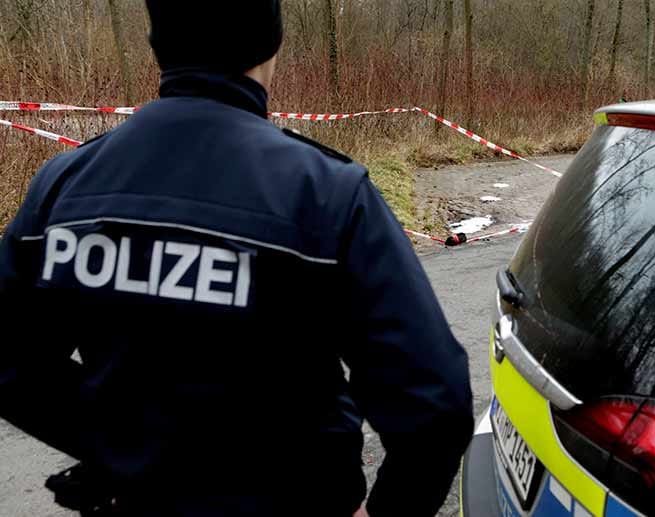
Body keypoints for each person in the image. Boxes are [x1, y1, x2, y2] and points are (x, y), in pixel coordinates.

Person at [0, 1, 474, 516]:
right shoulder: (327, 194)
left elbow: (11, 364)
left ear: (157, 43)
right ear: (272, 44)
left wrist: (122, 446)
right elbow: (435, 404)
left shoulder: (64, 186)